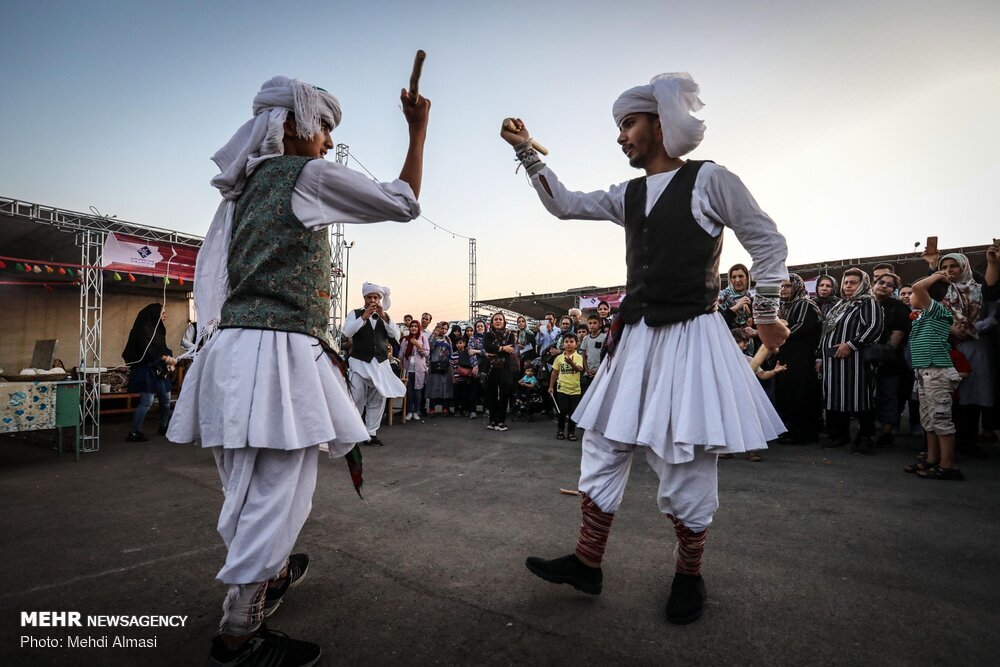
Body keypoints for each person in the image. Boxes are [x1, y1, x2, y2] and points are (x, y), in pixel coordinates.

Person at [501, 72, 788, 625]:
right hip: (635, 339)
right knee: (604, 444)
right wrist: (527, 154)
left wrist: (768, 315)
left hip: (690, 336)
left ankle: (689, 574)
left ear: (660, 123)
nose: (621, 137)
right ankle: (587, 561)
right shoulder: (628, 194)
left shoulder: (710, 180)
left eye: (628, 124)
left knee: (684, 458)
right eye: (619, 127)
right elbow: (564, 204)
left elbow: (766, 241)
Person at [166, 75, 429, 664]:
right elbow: (404, 203)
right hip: (276, 353)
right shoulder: (303, 177)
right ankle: (239, 634)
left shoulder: (240, 189)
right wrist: (417, 130)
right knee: (279, 494)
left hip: (231, 352)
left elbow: (216, 282)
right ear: (292, 125)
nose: (329, 144)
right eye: (326, 128)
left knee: (244, 485)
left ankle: (272, 573)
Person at [904, 269, 965, 479]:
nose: (910, 295)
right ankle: (932, 458)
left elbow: (917, 287)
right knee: (929, 419)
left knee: (941, 419)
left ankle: (948, 466)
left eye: (912, 294)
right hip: (924, 373)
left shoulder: (936, 310)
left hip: (937, 372)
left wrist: (938, 276)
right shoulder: (924, 316)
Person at [820, 268, 884, 453]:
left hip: (856, 361)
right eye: (846, 282)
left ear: (863, 284)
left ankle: (865, 437)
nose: (848, 286)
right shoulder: (840, 305)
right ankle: (839, 435)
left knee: (860, 397)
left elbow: (873, 328)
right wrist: (819, 356)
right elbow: (825, 332)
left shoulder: (868, 302)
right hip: (833, 362)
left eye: (853, 282)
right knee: (835, 397)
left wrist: (851, 345)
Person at [344, 283, 406, 446]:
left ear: (380, 299)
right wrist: (364, 317)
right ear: (364, 298)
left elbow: (396, 335)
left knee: (378, 399)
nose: (373, 300)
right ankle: (355, 432)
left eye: (376, 297)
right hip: (359, 363)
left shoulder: (385, 317)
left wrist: (384, 316)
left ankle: (371, 433)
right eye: (370, 297)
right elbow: (348, 332)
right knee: (356, 398)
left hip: (380, 364)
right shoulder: (355, 314)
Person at [773, 274, 823, 445]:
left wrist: (774, 335)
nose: (783, 289)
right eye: (781, 286)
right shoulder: (786, 306)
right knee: (789, 395)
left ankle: (802, 434)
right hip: (789, 357)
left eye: (787, 286)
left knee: (800, 395)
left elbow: (799, 328)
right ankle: (793, 431)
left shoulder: (805, 304)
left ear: (797, 286)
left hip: (802, 359)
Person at [122, 303, 176, 442]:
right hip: (145, 369)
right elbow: (147, 352)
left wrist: (169, 361)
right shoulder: (142, 331)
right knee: (147, 401)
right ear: (154, 314)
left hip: (159, 369)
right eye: (163, 313)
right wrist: (166, 359)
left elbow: (162, 348)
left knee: (166, 400)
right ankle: (134, 432)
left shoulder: (158, 330)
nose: (165, 316)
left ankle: (164, 426)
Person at [871, 272, 912, 447]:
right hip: (866, 360)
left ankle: (887, 432)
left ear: (893, 290)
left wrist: (881, 357)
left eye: (889, 285)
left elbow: (898, 334)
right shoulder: (867, 304)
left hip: (889, 361)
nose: (884, 286)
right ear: (873, 284)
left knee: (888, 395)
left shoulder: (899, 307)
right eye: (881, 282)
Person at [483, 312, 518, 431]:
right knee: (492, 394)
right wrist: (503, 348)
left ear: (504, 322)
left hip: (505, 368)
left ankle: (501, 421)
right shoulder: (488, 335)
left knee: (504, 395)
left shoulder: (510, 335)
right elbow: (487, 347)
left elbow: (511, 349)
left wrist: (496, 349)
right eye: (496, 319)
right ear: (492, 322)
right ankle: (492, 420)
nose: (498, 321)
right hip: (491, 368)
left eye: (500, 319)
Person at [549, 333, 584, 441]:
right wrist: (551, 387)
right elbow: (554, 373)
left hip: (575, 390)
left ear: (576, 344)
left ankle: (571, 432)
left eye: (571, 342)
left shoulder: (578, 357)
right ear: (563, 344)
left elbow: (579, 369)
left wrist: (571, 363)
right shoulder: (559, 358)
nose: (569, 344)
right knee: (562, 411)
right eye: (566, 342)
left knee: (573, 413)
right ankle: (560, 430)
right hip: (562, 389)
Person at [399, 320, 428, 422]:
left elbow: (426, 354)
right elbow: (401, 355)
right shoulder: (405, 340)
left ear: (419, 327)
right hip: (408, 370)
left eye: (416, 326)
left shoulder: (423, 338)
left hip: (419, 370)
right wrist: (402, 368)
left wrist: (417, 345)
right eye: (412, 326)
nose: (414, 328)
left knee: (417, 392)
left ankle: (416, 411)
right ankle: (409, 412)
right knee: (409, 392)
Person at [426, 322, 454, 416]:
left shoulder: (448, 339)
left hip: (445, 366)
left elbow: (451, 352)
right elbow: (428, 347)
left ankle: (445, 408)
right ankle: (432, 409)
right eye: (442, 328)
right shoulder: (432, 336)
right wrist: (434, 334)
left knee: (446, 387)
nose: (444, 330)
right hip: (434, 366)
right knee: (433, 387)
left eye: (446, 329)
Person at [579, 314, 607, 393]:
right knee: (588, 393)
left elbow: (606, 355)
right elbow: (583, 355)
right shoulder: (586, 338)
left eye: (595, 323)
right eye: (590, 323)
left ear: (600, 324)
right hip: (588, 373)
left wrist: (599, 370)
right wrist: (587, 369)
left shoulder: (604, 337)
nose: (592, 325)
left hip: (600, 372)